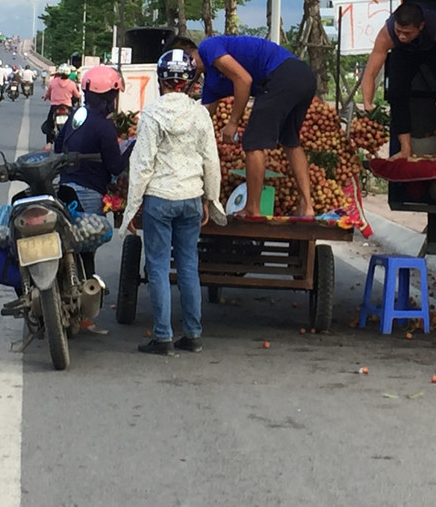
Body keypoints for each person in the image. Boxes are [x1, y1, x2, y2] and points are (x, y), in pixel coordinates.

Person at [123, 49, 220, 356]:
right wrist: (211, 199)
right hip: (191, 198)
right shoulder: (200, 113)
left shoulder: (152, 114)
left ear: (161, 80)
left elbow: (142, 165)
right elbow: (211, 161)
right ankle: (193, 334)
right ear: (191, 81)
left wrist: (131, 208)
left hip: (160, 199)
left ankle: (163, 336)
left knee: (159, 267)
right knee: (189, 266)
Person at [174, 34, 316, 218]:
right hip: (302, 78)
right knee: (290, 140)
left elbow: (244, 80)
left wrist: (232, 123)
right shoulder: (210, 82)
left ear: (190, 56)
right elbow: (207, 112)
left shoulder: (208, 47)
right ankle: (307, 206)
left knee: (253, 142)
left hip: (282, 74)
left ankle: (252, 208)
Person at [361, 2, 436, 161]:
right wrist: (367, 104)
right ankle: (406, 149)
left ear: (421, 26)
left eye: (407, 33)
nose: (402, 36)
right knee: (396, 93)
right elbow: (370, 74)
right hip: (404, 53)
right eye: (399, 31)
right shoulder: (388, 34)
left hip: (433, 50)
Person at [54, 64, 128, 287]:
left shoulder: (77, 114)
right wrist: (132, 148)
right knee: (86, 252)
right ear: (109, 97)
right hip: (89, 195)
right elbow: (115, 167)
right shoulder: (105, 126)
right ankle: (86, 311)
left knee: (68, 246)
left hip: (65, 188)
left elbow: (58, 146)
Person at [42, 63, 82, 144]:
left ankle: (49, 143)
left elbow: (48, 93)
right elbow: (77, 95)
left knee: (50, 124)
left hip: (55, 106)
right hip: (67, 106)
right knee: (73, 124)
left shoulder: (53, 82)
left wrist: (45, 97)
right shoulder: (72, 84)